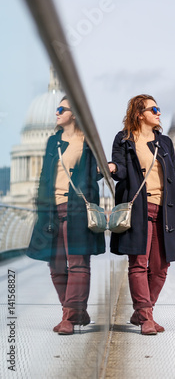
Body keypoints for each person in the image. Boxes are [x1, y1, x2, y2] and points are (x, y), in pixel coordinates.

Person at [108, 94, 175, 335]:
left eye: (158, 109)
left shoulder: (164, 142)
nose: (158, 113)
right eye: (153, 109)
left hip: (165, 209)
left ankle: (144, 311)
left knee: (161, 266)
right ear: (138, 113)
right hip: (138, 208)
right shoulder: (124, 140)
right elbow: (122, 169)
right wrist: (113, 167)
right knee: (138, 263)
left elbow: (174, 174)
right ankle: (145, 317)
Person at [27, 96, 105, 335]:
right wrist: (41, 210)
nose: (56, 113)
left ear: (75, 113)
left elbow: (95, 177)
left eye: (61, 109)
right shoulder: (54, 142)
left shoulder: (89, 143)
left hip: (78, 209)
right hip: (53, 208)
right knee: (56, 266)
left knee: (79, 265)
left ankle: (69, 318)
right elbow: (44, 178)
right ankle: (75, 311)